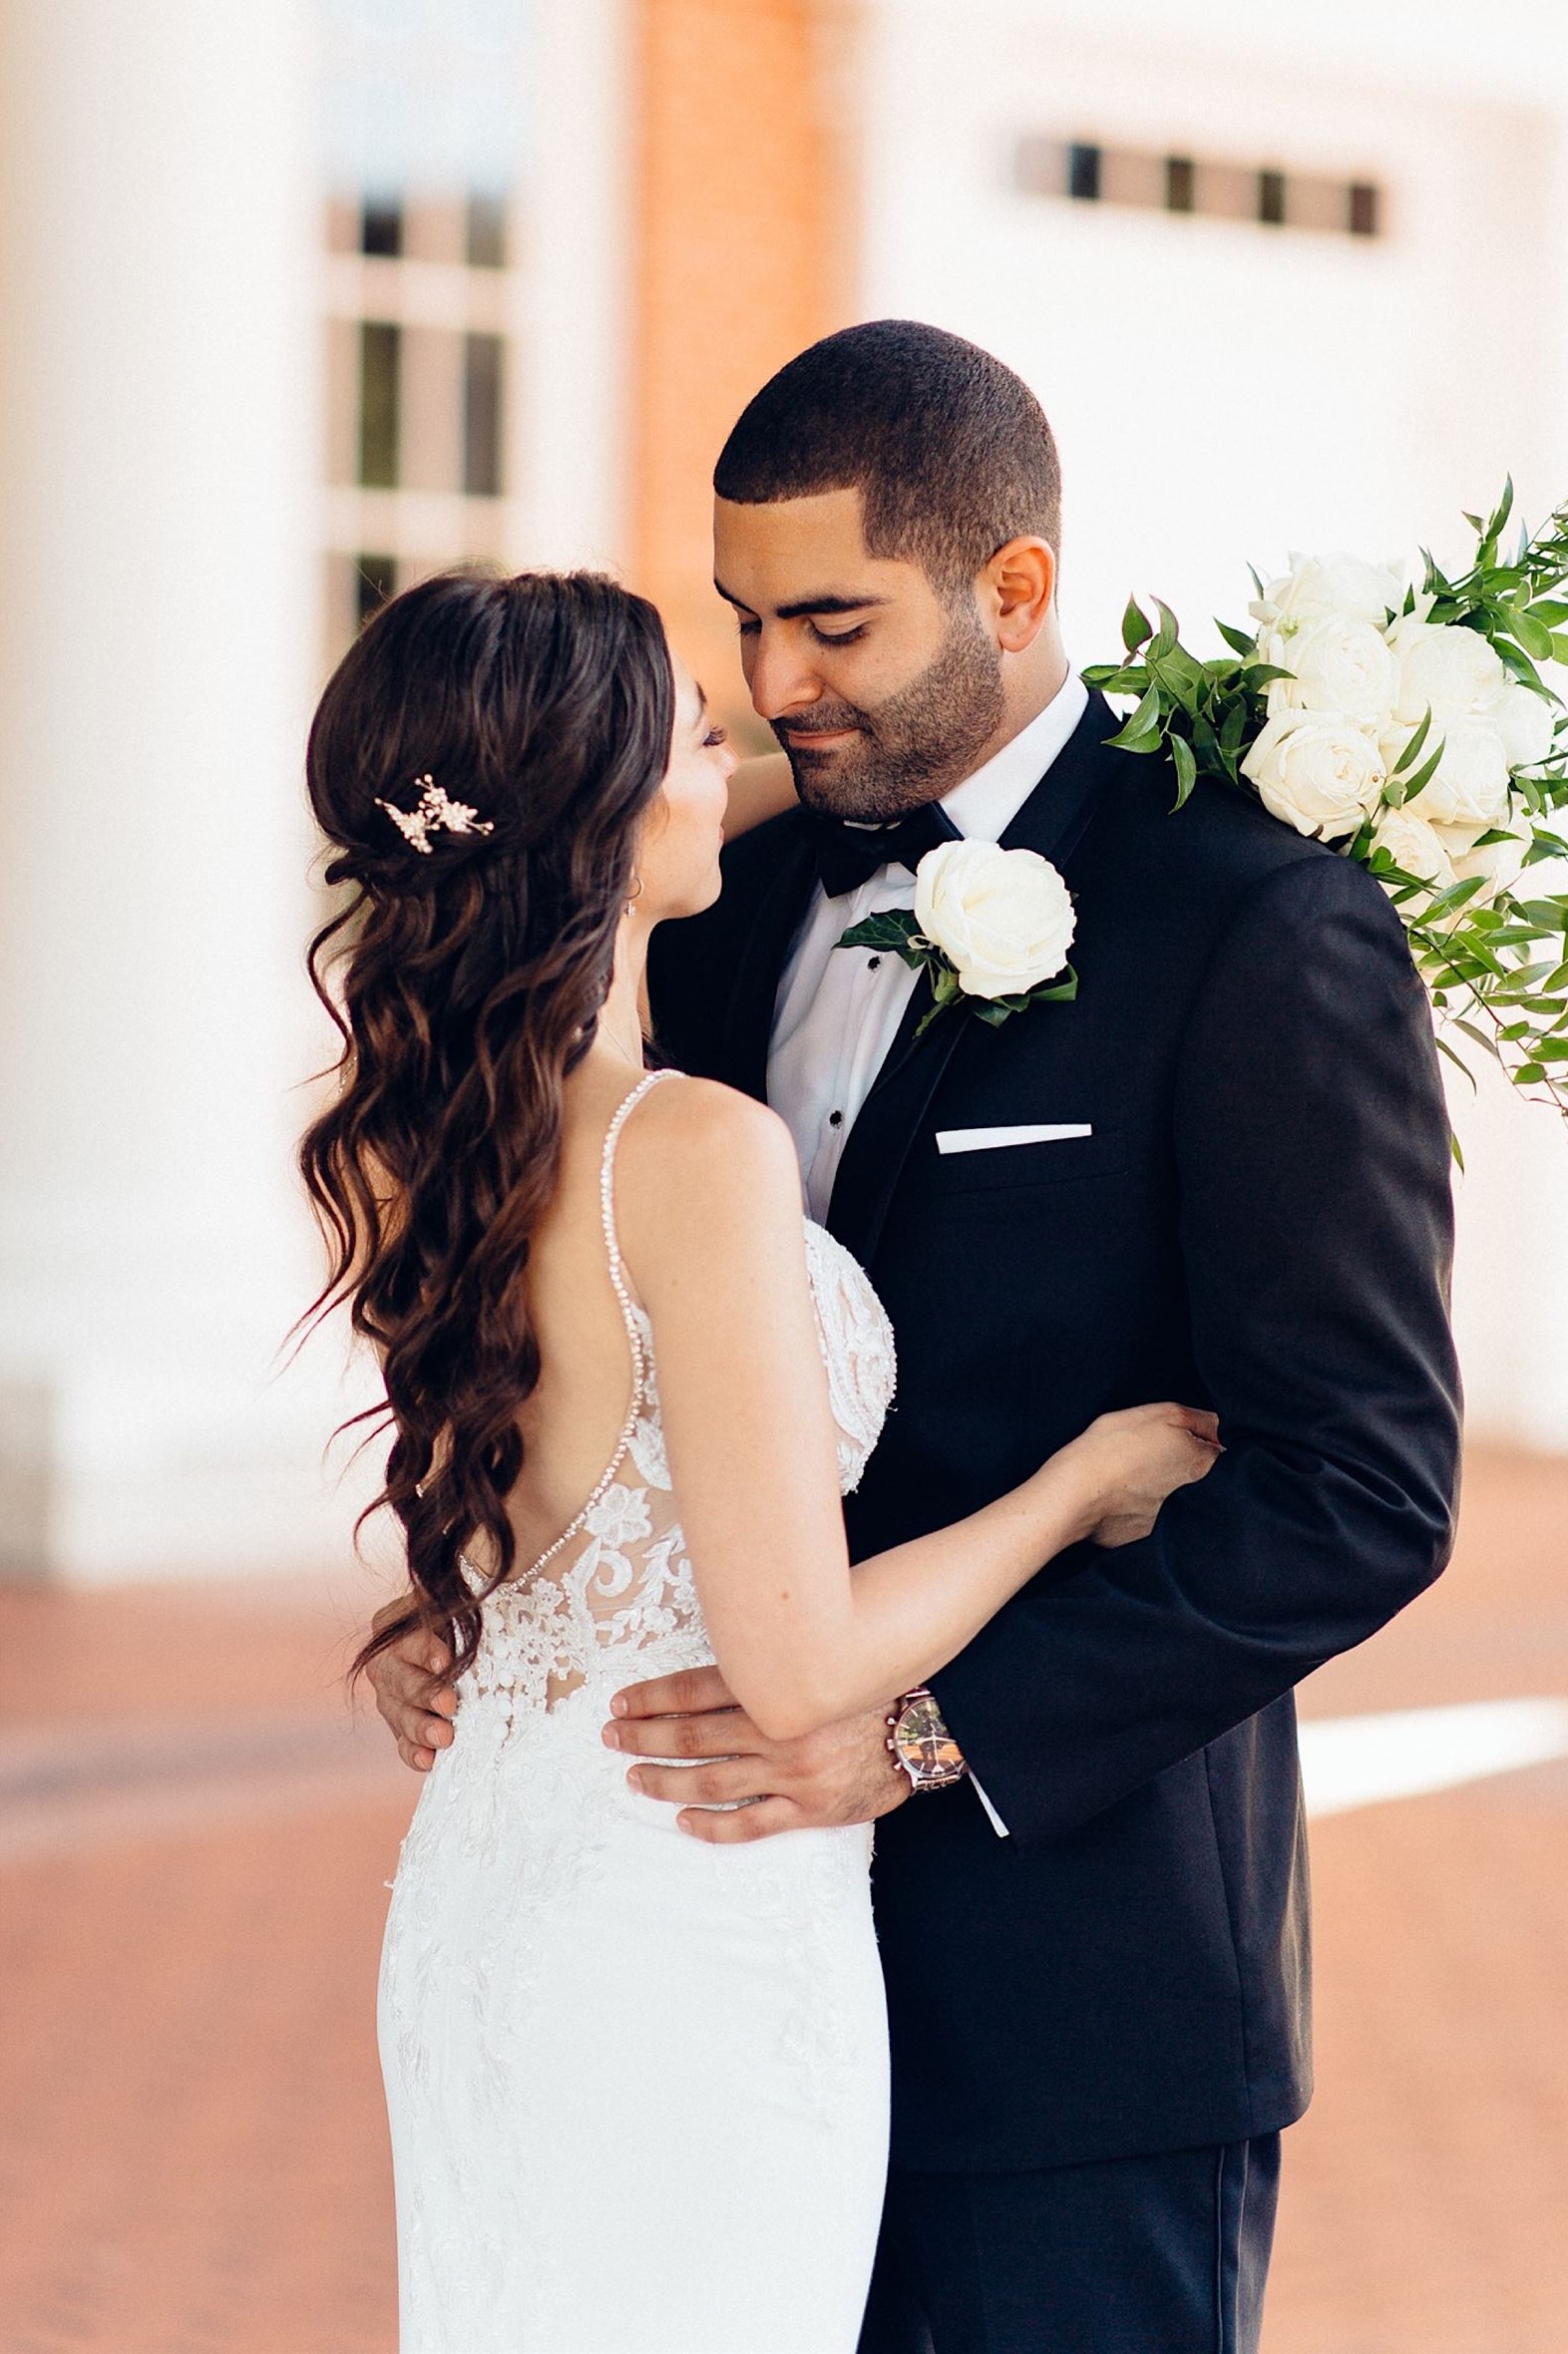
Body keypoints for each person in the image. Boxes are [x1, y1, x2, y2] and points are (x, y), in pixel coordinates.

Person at [370, 322, 1462, 2353]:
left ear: (1012, 590)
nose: (775, 685)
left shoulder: (1251, 924)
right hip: (694, 1942)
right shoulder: (719, 894)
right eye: (741, 624)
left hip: (1074, 1991)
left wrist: (938, 1738)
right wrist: (497, 1619)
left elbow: (1358, 1491)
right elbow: (597, 1334)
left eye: (829, 622)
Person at [302, 564, 1218, 2354]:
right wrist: (1077, 1487)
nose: (730, 757)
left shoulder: (427, 1140)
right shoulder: (689, 1149)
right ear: (608, 805)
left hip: (497, 1887)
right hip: (683, 1911)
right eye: (696, 732)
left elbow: (541, 1510)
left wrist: (458, 1627)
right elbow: (795, 1668)